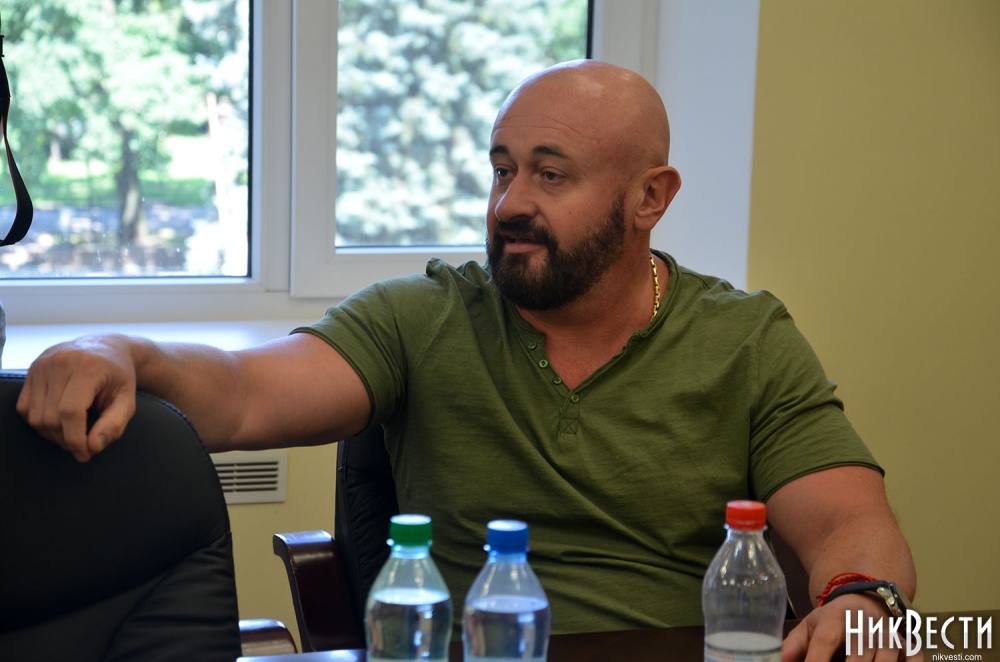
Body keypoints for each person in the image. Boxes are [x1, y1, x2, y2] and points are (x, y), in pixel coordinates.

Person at [17, 60, 916, 660]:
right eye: (501, 169)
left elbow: (849, 522)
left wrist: (860, 600)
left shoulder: (746, 338)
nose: (509, 203)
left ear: (650, 198)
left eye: (550, 175)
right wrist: (121, 349)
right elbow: (245, 395)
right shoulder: (423, 316)